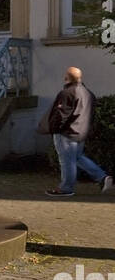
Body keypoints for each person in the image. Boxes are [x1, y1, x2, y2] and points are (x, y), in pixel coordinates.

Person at [45, 66, 113, 197]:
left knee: (67, 161)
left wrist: (53, 129)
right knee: (77, 158)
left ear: (66, 78)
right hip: (81, 132)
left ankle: (66, 188)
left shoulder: (66, 93)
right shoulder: (88, 93)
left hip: (67, 133)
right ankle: (103, 178)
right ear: (80, 78)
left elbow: (60, 115)